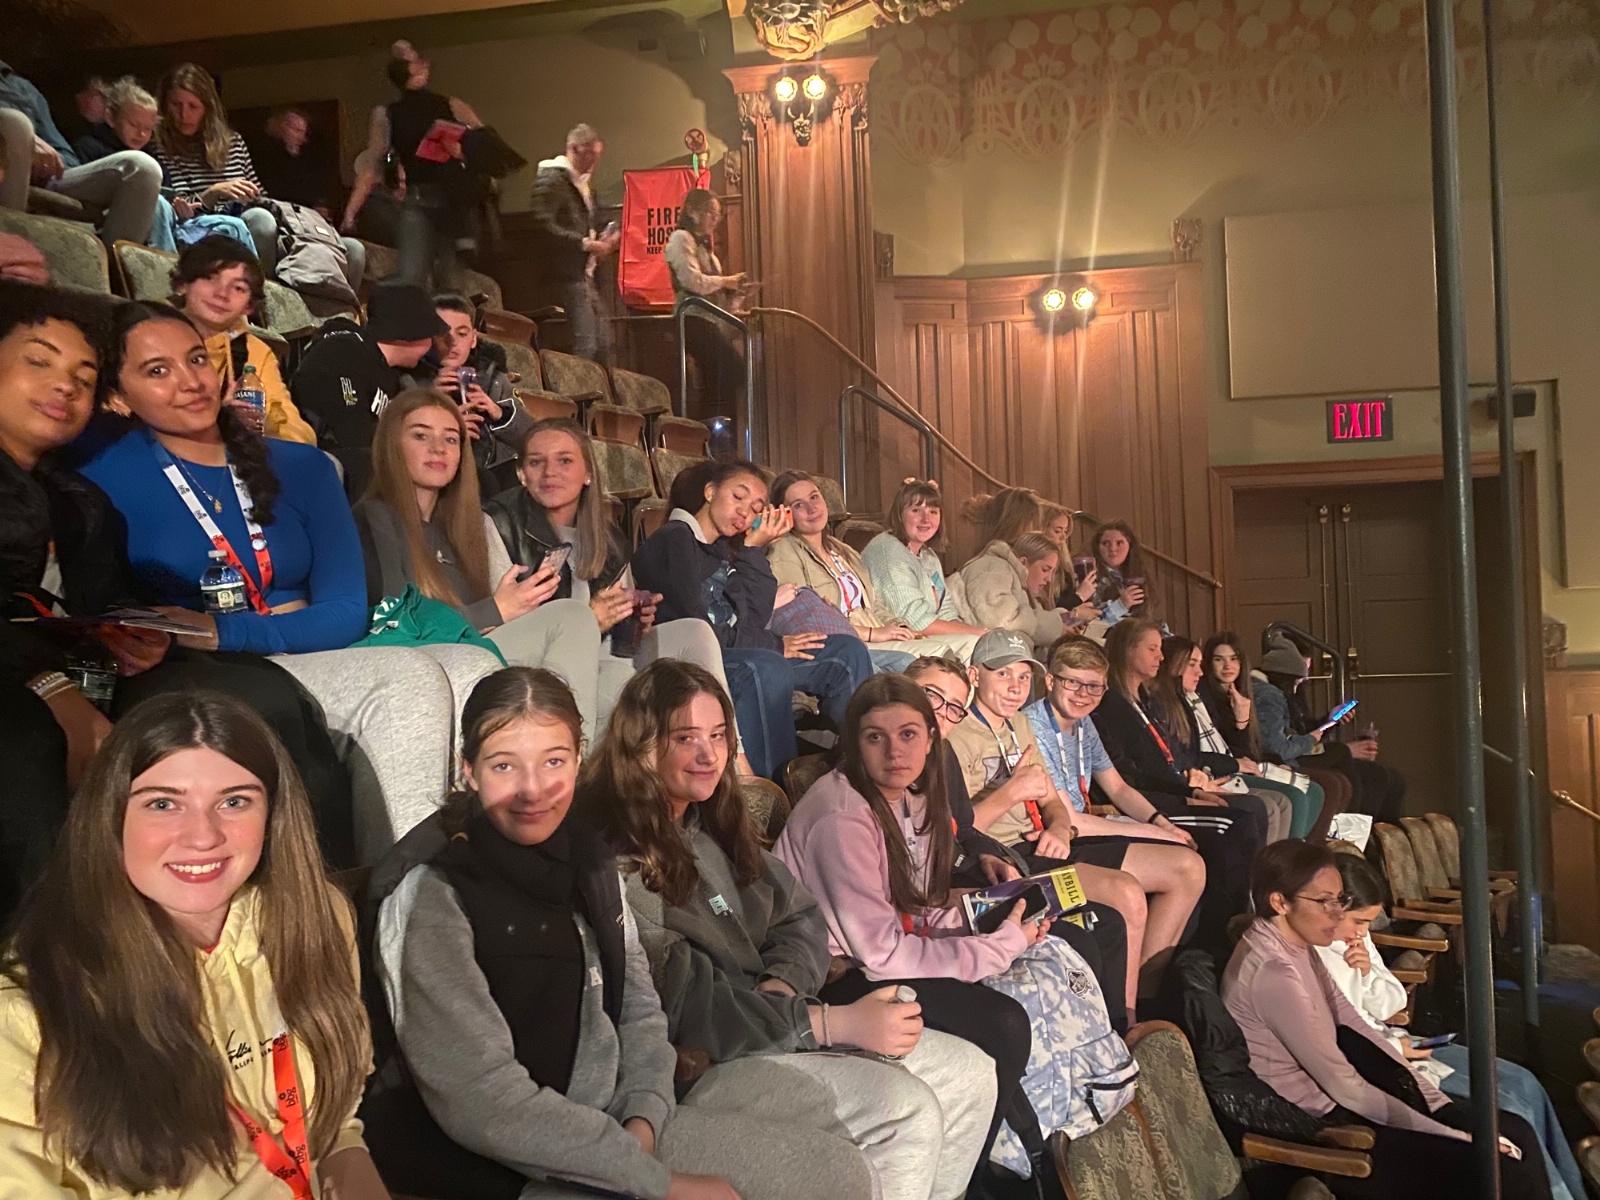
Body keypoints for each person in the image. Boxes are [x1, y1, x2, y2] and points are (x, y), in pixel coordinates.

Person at [363, 665, 872, 1200]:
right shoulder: (433, 895)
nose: (533, 789)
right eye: (505, 765)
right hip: (512, 1170)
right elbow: (480, 1099)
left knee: (839, 1148)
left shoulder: (588, 861)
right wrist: (652, 1180)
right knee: (833, 1176)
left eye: (553, 762)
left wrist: (642, 1121)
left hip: (621, 1121)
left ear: (578, 759)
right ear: (469, 769)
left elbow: (638, 1008)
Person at [581, 659, 995, 1200]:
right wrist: (828, 1023)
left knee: (970, 1073)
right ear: (642, 746)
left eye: (718, 736)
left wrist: (784, 984)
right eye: (685, 738)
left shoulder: (711, 820)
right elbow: (692, 1010)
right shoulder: (622, 863)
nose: (708, 755)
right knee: (904, 1112)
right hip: (708, 1061)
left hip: (778, 1017)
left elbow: (800, 915)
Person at [78, 302, 469, 862]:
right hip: (202, 670)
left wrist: (224, 630)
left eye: (197, 359)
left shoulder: (304, 467)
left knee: (469, 666)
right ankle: (404, 888)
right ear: (118, 394)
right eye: (157, 370)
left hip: (285, 651)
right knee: (409, 678)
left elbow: (344, 612)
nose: (190, 381)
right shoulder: (104, 470)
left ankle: (463, 879)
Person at [0, 282, 356, 880]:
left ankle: (318, 894)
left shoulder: (79, 498)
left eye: (82, 377)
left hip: (106, 666)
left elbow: (96, 601)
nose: (64, 386)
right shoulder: (104, 464)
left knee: (267, 695)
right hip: (33, 680)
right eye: (39, 362)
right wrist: (50, 683)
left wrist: (130, 633)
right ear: (121, 397)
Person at [0, 690, 387, 1197]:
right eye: (163, 804)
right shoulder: (27, 1014)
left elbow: (335, 1112)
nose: (202, 836)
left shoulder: (315, 919)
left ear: (273, 814)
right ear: (109, 815)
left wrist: (348, 1154)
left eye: (234, 801)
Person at [776, 674, 1139, 1188]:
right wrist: (998, 946)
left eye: (908, 734)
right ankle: (980, 1177)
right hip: (834, 973)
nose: (894, 752)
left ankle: (1077, 1096)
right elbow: (881, 955)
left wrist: (991, 916)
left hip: (890, 943)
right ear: (855, 744)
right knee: (1003, 1023)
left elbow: (919, 908)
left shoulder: (914, 794)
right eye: (875, 737)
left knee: (1080, 933)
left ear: (930, 738)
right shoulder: (842, 816)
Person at [1222, 840, 1552, 1200]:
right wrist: (1455, 1135)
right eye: (1325, 902)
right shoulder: (1274, 973)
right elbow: (1343, 1084)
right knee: (1501, 1171)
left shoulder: (1300, 946)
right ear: (1280, 902)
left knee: (1515, 1130)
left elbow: (1358, 1028)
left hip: (1350, 1105)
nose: (1337, 914)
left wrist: (1435, 1102)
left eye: (1341, 900)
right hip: (1328, 1133)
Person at [947, 629, 1203, 1023]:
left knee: (1188, 867)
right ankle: (1125, 1022)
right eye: (1003, 674)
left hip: (1045, 843)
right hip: (1004, 860)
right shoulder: (956, 735)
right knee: (1125, 894)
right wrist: (1012, 792)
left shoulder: (1019, 724)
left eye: (1023, 676)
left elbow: (1054, 802)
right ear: (974, 675)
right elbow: (957, 832)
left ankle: (1144, 1003)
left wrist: (1059, 828)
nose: (1015, 687)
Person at [354, 389, 627, 734]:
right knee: (572, 617)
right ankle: (567, 757)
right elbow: (394, 626)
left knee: (624, 677)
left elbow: (480, 625)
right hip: (424, 665)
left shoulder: (457, 530)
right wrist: (496, 610)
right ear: (392, 446)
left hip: (473, 655)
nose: (438, 448)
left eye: (451, 439)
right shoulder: (375, 517)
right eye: (421, 436)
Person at [1318, 854, 1584, 1200]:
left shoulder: (1357, 939)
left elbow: (1392, 1004)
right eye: (1358, 921)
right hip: (1381, 1057)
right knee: (1510, 1108)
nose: (1363, 931)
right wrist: (1397, 1049)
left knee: (1525, 1082)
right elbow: (1339, 1038)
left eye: (1368, 923)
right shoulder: (1314, 953)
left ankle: (1572, 1191)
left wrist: (1368, 972)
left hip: (1395, 1040)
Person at [905, 652, 1135, 1031]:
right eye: (931, 696)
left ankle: (1114, 1035)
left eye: (953, 707)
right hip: (942, 899)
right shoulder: (894, 762)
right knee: (1081, 933)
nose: (939, 713)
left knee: (1106, 922)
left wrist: (988, 857)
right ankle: (1096, 1038)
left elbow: (962, 831)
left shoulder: (941, 752)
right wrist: (1010, 795)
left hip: (985, 872)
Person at [483, 417, 732, 732]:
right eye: (536, 462)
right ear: (521, 474)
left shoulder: (610, 539)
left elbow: (619, 636)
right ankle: (576, 756)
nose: (549, 472)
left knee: (694, 632)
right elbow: (501, 625)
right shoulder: (499, 522)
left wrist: (634, 617)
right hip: (538, 660)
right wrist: (590, 621)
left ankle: (733, 756)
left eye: (564, 461)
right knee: (623, 689)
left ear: (588, 473)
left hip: (603, 652)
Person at [631, 458, 872, 781]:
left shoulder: (724, 550)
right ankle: (774, 789)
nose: (745, 511)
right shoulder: (675, 539)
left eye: (756, 507)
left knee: (846, 652)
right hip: (690, 659)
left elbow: (754, 619)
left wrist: (752, 549)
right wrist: (774, 645)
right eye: (738, 497)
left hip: (738, 651)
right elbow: (697, 629)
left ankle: (862, 767)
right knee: (765, 667)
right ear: (710, 491)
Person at [1092, 618, 1263, 950]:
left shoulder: (1145, 699)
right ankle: (1218, 940)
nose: (1160, 657)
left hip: (1165, 790)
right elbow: (1129, 779)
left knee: (1245, 815)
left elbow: (1169, 759)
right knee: (1237, 822)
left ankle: (1236, 923)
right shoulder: (1111, 706)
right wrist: (1187, 796)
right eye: (1152, 649)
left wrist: (1191, 790)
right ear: (1128, 651)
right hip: (1141, 801)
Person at [151, 64, 365, 293]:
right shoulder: (160, 146)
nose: (184, 115)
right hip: (210, 229)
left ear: (207, 107)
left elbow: (261, 195)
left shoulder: (233, 142)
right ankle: (264, 300)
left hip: (257, 223)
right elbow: (174, 208)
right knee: (260, 220)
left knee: (353, 250)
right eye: (176, 105)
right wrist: (214, 192)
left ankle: (337, 313)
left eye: (193, 106)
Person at [765, 469, 978, 666]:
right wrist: (870, 633)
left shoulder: (842, 550)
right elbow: (805, 617)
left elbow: (874, 602)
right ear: (784, 513)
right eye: (798, 505)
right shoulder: (785, 550)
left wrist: (898, 626)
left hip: (874, 631)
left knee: (969, 646)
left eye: (814, 497)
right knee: (941, 655)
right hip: (845, 643)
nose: (812, 508)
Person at [290, 281, 444, 494]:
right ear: (412, 333)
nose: (432, 345)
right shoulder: (342, 351)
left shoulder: (392, 374)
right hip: (322, 463)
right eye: (430, 335)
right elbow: (349, 433)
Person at [0, 58, 161, 248]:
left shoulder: (22, 87)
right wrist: (24, 140)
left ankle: (112, 264)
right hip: (9, 170)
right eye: (134, 125)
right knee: (15, 124)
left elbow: (59, 144)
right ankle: (10, 250)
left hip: (57, 173)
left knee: (142, 168)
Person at [170, 234, 316, 443]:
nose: (222, 294)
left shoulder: (256, 352)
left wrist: (263, 424)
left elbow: (295, 428)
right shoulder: (148, 334)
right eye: (210, 278)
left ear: (249, 305)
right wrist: (218, 420)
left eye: (238, 288)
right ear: (183, 284)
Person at [1155, 635, 1293, 845]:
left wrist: (1242, 721)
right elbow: (1189, 757)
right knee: (1271, 804)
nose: (1200, 672)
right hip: (1205, 776)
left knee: (1298, 795)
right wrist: (1229, 765)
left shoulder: (1198, 698)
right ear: (1173, 665)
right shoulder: (1193, 697)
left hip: (1219, 769)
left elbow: (1245, 749)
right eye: (1219, 659)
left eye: (1234, 658)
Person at [1198, 631, 1335, 840]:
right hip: (1227, 768)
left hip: (1252, 762)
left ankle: (1303, 850)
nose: (1227, 666)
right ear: (1208, 663)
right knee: (1295, 796)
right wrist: (1241, 721)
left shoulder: (1242, 692)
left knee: (1316, 791)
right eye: (1219, 660)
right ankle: (1286, 854)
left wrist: (1276, 762)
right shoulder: (1207, 697)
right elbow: (1233, 748)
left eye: (1233, 659)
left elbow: (1255, 744)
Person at [1256, 632, 1405, 825]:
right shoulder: (1272, 694)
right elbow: (1281, 743)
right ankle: (1356, 831)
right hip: (1290, 756)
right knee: (1359, 768)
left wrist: (1328, 720)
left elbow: (1301, 730)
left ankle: (1381, 833)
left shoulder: (1290, 687)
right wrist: (1328, 744)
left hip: (1301, 749)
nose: (1306, 674)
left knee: (1392, 777)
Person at [379, 42, 484, 289]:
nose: (423, 65)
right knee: (412, 275)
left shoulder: (449, 105)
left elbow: (484, 141)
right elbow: (381, 155)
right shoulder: (390, 113)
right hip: (417, 196)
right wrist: (392, 177)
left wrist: (460, 151)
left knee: (449, 277)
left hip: (450, 197)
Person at [407, 291, 531, 493]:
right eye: (442, 333)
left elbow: (533, 438)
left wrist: (500, 413)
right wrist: (430, 401)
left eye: (462, 334)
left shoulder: (495, 381)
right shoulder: (410, 379)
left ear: (473, 339)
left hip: (494, 480)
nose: (452, 342)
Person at [859, 478, 987, 645]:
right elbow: (914, 621)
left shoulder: (929, 556)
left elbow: (946, 610)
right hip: (894, 640)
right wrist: (980, 633)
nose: (926, 519)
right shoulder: (888, 550)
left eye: (933, 512)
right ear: (899, 514)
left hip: (924, 638)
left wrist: (975, 634)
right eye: (916, 510)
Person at [531, 123, 619, 364]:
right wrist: (584, 244)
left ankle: (601, 387)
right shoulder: (551, 180)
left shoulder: (582, 184)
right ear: (573, 148)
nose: (593, 161)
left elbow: (599, 218)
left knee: (604, 342)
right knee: (587, 341)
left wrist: (611, 232)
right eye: (589, 154)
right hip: (567, 272)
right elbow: (541, 225)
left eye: (596, 154)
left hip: (585, 273)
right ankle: (580, 387)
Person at [664, 188, 745, 417]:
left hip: (709, 321)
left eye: (718, 215)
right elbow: (692, 281)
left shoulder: (709, 254)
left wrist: (737, 296)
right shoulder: (681, 239)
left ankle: (718, 428)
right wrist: (726, 281)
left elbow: (717, 299)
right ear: (692, 211)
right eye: (710, 213)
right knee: (731, 368)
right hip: (691, 320)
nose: (715, 220)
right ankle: (712, 426)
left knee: (723, 375)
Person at [958, 530, 1081, 653]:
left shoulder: (1023, 588)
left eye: (1052, 572)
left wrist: (1061, 634)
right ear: (1023, 562)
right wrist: (1055, 629)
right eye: (1045, 569)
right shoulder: (992, 568)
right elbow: (1000, 620)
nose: (1049, 579)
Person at [252, 107, 336, 216]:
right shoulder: (264, 155)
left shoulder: (309, 156)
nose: (301, 138)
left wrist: (320, 205)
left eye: (303, 132)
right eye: (297, 131)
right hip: (276, 211)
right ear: (283, 128)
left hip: (306, 214)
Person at [1088, 519, 1148, 626]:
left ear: (1130, 546)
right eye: (1106, 543)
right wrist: (1120, 605)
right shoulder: (1089, 576)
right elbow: (1091, 623)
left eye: (1119, 543)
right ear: (1097, 547)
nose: (1112, 549)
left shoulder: (1138, 574)